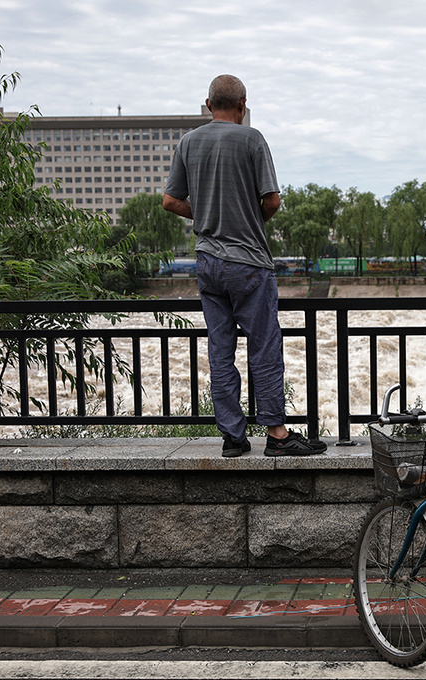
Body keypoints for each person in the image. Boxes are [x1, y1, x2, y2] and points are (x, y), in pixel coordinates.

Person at [163, 75, 326, 458]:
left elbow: (170, 201)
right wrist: (246, 220)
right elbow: (272, 201)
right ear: (242, 105)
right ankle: (277, 434)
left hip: (207, 263)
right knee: (264, 347)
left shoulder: (188, 142)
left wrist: (205, 214)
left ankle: (233, 438)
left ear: (207, 104)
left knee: (221, 350)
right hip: (249, 263)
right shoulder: (252, 139)